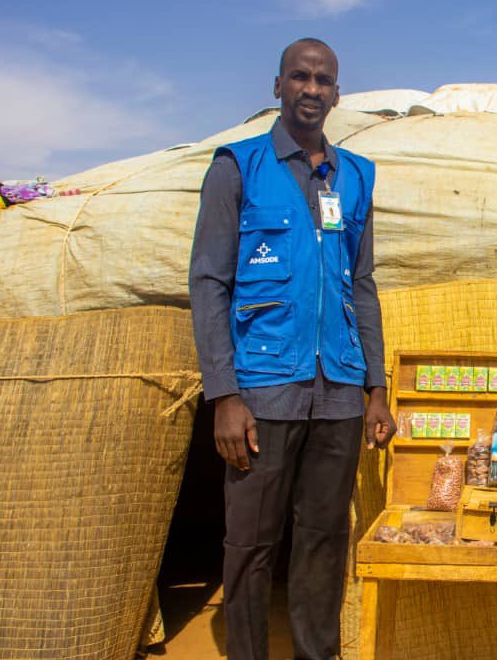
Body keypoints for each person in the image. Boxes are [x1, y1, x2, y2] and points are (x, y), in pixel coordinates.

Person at [189, 37, 395, 660]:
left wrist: (376, 388)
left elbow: (361, 284)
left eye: (323, 80)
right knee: (250, 543)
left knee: (324, 538)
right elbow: (209, 282)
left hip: (337, 392)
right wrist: (224, 395)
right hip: (263, 389)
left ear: (338, 92)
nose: (312, 89)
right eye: (300, 77)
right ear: (276, 86)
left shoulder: (355, 176)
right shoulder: (237, 166)